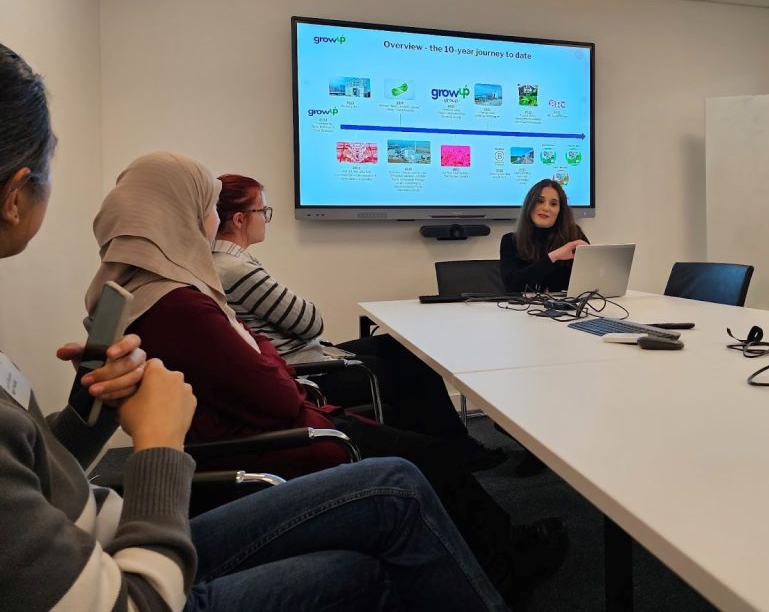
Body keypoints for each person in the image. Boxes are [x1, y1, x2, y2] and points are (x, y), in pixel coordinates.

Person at [0, 44, 508, 612]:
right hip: (147, 550)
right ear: (17, 196)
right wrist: (159, 443)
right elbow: (282, 363)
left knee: (391, 482)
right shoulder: (182, 300)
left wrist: (89, 410)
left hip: (115, 528)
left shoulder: (148, 295)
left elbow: (35, 470)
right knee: (398, 483)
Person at [86, 151, 567, 604]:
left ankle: (492, 546)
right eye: (206, 207)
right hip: (287, 435)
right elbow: (276, 381)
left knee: (414, 413)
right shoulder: (181, 303)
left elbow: (260, 359)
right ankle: (503, 563)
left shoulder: (141, 290)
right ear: (181, 214)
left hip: (274, 423)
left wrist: (262, 352)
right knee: (429, 458)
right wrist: (265, 353)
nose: (213, 221)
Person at [211, 174, 505, 471]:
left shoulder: (227, 262)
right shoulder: (235, 267)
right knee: (410, 374)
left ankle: (454, 447)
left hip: (305, 356)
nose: (266, 218)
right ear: (239, 219)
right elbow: (310, 322)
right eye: (263, 211)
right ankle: (451, 453)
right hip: (307, 371)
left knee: (403, 350)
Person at [500, 179, 589, 294]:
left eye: (553, 204)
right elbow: (511, 286)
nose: (546, 208)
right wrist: (553, 257)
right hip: (523, 310)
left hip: (567, 308)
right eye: (540, 201)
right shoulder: (510, 241)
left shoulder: (574, 234)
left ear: (560, 211)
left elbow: (591, 277)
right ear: (530, 205)